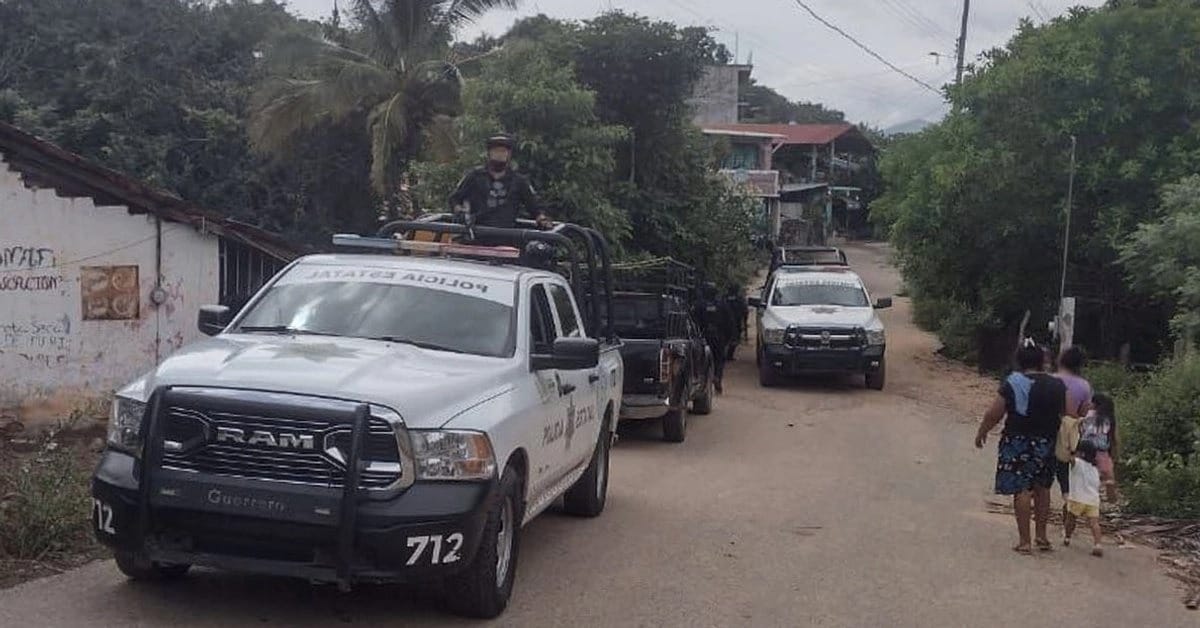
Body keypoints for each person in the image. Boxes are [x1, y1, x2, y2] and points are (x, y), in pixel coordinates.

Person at [975, 339, 1069, 554]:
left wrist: (982, 432)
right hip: (1047, 442)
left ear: (1019, 360)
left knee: (1021, 489)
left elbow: (994, 413)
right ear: (1042, 360)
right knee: (1043, 488)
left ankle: (1025, 541)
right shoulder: (1057, 385)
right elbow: (1065, 415)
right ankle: (1042, 537)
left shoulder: (1013, 382)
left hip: (1017, 441)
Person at [448, 134, 550, 230]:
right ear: (489, 153)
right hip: (477, 236)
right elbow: (454, 198)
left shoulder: (519, 181)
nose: (499, 154)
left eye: (503, 151)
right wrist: (460, 212)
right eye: (496, 151)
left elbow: (535, 207)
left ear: (509, 154)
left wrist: (542, 218)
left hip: (507, 237)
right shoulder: (475, 176)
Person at [1053, 346, 1094, 507]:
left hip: (1050, 425)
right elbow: (1085, 411)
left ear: (1061, 359)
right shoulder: (1084, 385)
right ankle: (1067, 495)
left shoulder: (1052, 379)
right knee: (1063, 464)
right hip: (1071, 429)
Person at [1063, 440, 1105, 557]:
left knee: (1071, 519)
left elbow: (1068, 459)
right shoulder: (1095, 469)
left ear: (1081, 453)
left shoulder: (1077, 463)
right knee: (1094, 524)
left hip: (1077, 498)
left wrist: (1067, 448)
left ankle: (1067, 537)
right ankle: (1098, 544)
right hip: (1093, 500)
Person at [694, 282, 734, 394]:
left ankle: (703, 383)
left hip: (703, 338)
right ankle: (717, 378)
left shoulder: (699, 305)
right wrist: (728, 338)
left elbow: (694, 322)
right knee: (719, 360)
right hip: (719, 338)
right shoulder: (722, 304)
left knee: (702, 361)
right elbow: (730, 322)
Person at [1081, 393, 1119, 502]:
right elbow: (1111, 436)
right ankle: (1111, 495)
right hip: (1102, 450)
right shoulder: (1108, 418)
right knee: (1109, 476)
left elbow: (1081, 429)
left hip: (1086, 448)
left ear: (1095, 404)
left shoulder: (1088, 415)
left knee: (1089, 476)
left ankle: (1090, 498)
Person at [724, 285, 749, 359]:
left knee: (725, 339)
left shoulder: (724, 297)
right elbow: (745, 311)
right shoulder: (740, 298)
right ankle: (729, 355)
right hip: (736, 322)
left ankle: (725, 355)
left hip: (724, 322)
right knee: (734, 339)